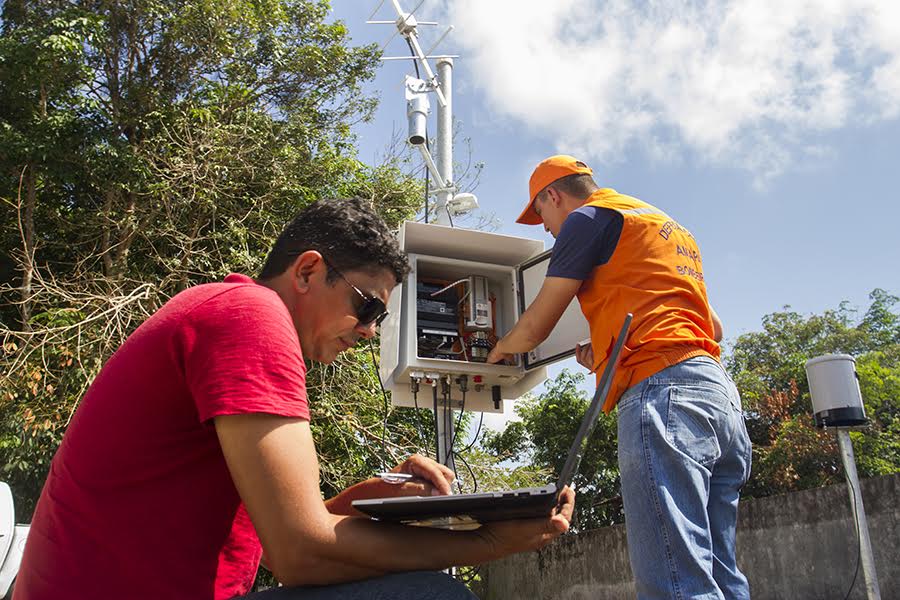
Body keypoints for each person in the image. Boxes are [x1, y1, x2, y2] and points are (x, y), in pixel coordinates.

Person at [15, 198, 575, 600]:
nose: (370, 330)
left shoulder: (225, 312)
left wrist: (369, 498)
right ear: (308, 270)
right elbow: (301, 557)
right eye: (369, 306)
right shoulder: (252, 317)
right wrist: (491, 542)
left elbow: (288, 537)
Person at [486, 156, 752, 600]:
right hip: (718, 395)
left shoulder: (587, 218)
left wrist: (496, 350)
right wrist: (609, 352)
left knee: (675, 582)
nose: (546, 230)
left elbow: (536, 326)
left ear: (553, 195)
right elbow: (713, 328)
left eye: (542, 217)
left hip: (666, 398)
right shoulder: (663, 225)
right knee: (721, 575)